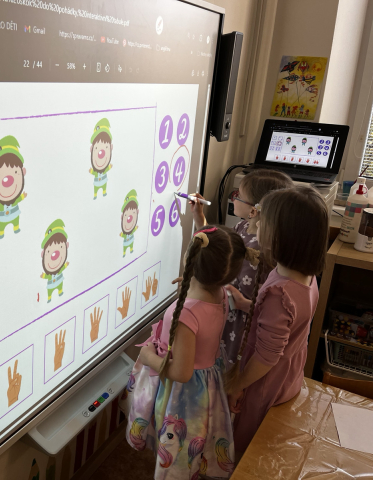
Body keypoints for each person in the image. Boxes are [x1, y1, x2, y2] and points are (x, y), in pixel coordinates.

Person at [126, 226, 261, 479]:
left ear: (189, 259)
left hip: (185, 395)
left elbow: (181, 372)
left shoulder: (185, 314)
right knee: (199, 438)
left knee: (178, 449)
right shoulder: (223, 293)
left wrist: (147, 356)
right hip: (208, 384)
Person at [225, 186, 328, 456]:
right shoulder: (304, 276)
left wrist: (237, 385)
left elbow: (267, 356)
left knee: (250, 443)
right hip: (289, 374)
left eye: (263, 220)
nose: (257, 223)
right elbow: (289, 323)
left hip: (265, 383)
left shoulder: (280, 293)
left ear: (282, 235)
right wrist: (247, 304)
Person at [190, 170, 294, 365]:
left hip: (241, 320)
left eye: (238, 195)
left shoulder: (262, 247)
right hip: (231, 312)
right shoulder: (243, 226)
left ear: (254, 211)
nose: (233, 198)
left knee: (232, 361)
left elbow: (259, 301)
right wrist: (199, 216)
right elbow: (216, 245)